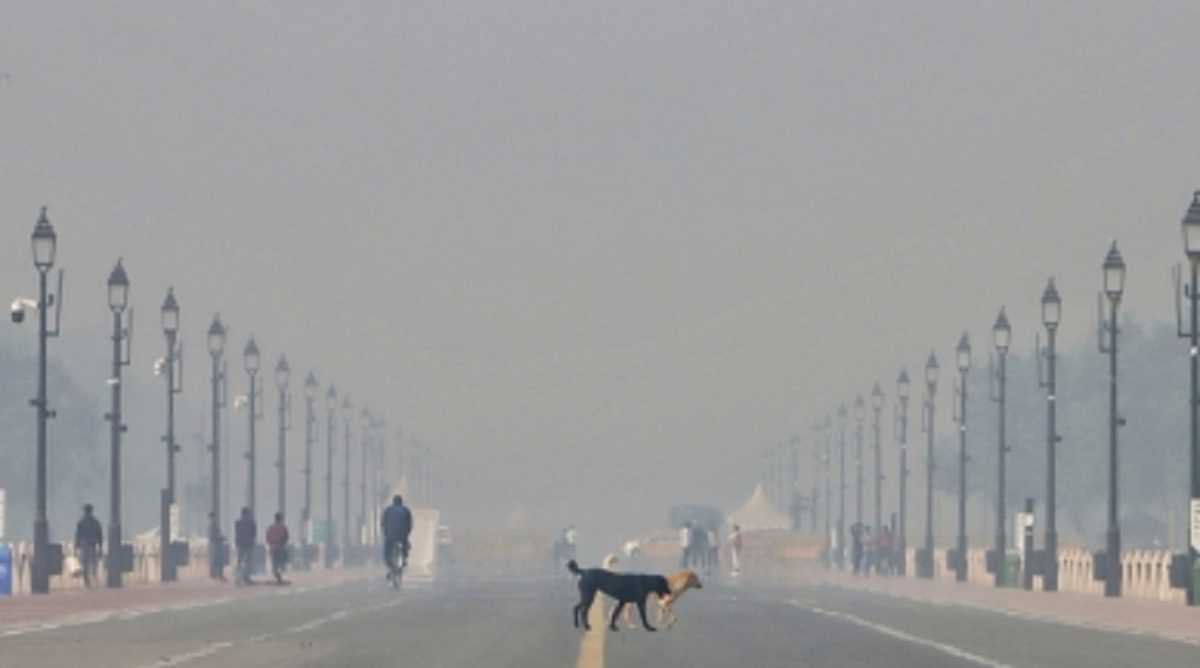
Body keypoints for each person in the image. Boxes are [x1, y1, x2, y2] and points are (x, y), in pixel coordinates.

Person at [381, 495, 413, 581]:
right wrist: (407, 534)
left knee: (387, 550)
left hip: (390, 536)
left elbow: (383, 523)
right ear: (401, 502)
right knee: (405, 545)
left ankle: (390, 565)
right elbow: (409, 524)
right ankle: (405, 558)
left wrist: (386, 533)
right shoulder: (406, 510)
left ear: (393, 502)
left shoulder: (388, 510)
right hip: (402, 535)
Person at [75, 504, 103, 588]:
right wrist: (100, 547)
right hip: (93, 545)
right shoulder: (96, 522)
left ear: (84, 511)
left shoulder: (81, 522)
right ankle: (94, 579)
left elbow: (78, 535)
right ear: (91, 511)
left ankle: (87, 582)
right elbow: (100, 535)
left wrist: (76, 547)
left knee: (85, 565)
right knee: (94, 564)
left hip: (84, 545)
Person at [234, 507, 257, 585]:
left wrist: (237, 542)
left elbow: (236, 533)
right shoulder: (252, 522)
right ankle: (246, 578)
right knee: (248, 562)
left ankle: (237, 578)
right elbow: (254, 534)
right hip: (249, 544)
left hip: (240, 544)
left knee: (239, 561)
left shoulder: (238, 522)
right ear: (247, 513)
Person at [265, 512, 290, 585]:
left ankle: (277, 576)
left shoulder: (270, 527)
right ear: (281, 519)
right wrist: (282, 543)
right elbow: (286, 537)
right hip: (281, 548)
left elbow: (267, 538)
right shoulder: (283, 527)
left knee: (274, 563)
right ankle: (279, 577)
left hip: (273, 548)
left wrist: (271, 544)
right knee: (281, 563)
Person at [207, 512, 226, 581]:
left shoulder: (213, 525)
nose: (214, 519)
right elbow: (213, 536)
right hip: (216, 545)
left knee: (216, 561)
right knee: (217, 561)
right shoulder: (212, 526)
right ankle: (217, 575)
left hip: (215, 545)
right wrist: (221, 538)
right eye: (213, 517)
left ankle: (217, 575)